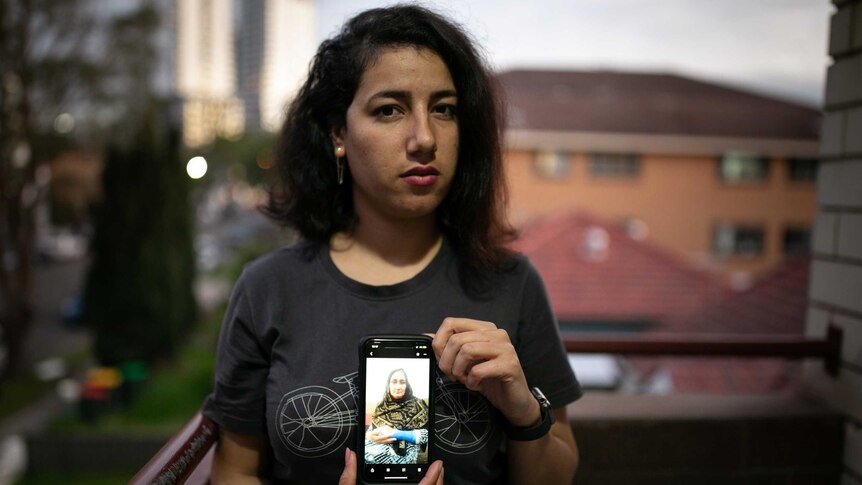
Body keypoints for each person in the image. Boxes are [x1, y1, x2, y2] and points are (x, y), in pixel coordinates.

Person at [203, 4, 582, 484]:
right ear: (338, 133)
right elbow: (234, 471)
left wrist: (524, 408)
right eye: (389, 110)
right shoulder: (269, 288)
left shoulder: (512, 284)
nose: (424, 138)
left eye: (444, 109)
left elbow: (558, 473)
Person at [364, 369, 430, 464]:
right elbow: (371, 431)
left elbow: (427, 434)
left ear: (406, 385)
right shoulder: (381, 406)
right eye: (394, 382)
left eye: (402, 382)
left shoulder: (419, 405)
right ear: (388, 385)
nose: (398, 387)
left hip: (405, 456)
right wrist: (369, 436)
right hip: (374, 453)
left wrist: (396, 433)